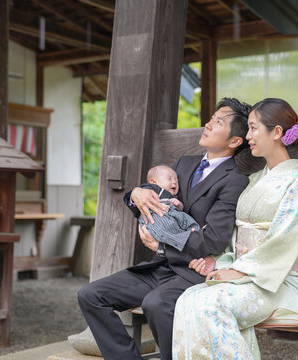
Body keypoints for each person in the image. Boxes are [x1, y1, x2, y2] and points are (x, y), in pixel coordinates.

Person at [77, 98, 252, 360]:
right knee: (90, 294)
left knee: (156, 304)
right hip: (161, 268)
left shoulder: (235, 179)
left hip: (194, 271)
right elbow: (156, 197)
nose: (208, 124)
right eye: (211, 117)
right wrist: (135, 194)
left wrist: (162, 246)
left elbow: (215, 239)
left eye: (218, 122)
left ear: (235, 141)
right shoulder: (184, 164)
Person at [172, 98, 298, 360]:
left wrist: (238, 271)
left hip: (279, 281)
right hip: (248, 274)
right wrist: (221, 261)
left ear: (277, 132)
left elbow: (285, 241)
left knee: (211, 304)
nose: (248, 136)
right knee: (189, 298)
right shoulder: (256, 179)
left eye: (253, 128)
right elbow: (239, 233)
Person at [124, 164, 200, 251]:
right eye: (169, 179)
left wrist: (179, 205)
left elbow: (181, 209)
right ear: (153, 182)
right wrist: (135, 193)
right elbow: (139, 199)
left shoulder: (174, 195)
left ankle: (197, 232)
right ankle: (182, 240)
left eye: (176, 180)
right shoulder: (151, 189)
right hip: (156, 216)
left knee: (188, 220)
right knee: (164, 229)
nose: (174, 182)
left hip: (174, 215)